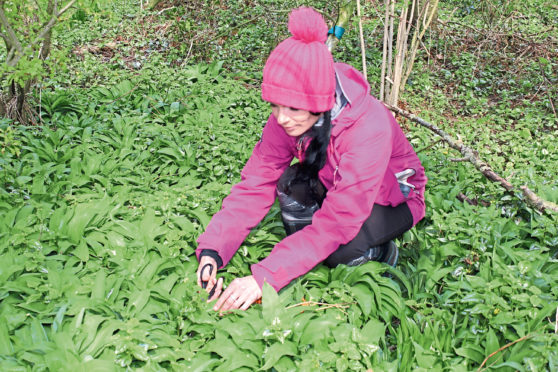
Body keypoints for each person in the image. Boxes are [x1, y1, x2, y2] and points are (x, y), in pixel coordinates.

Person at [195, 7, 427, 312]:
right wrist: (213, 249)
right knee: (290, 185)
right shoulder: (289, 116)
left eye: (291, 108)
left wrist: (263, 277)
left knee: (342, 250)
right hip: (335, 179)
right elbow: (256, 182)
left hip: (392, 200)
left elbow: (337, 222)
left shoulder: (369, 128)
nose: (281, 118)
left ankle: (383, 254)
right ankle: (303, 252)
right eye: (275, 106)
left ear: (319, 102)